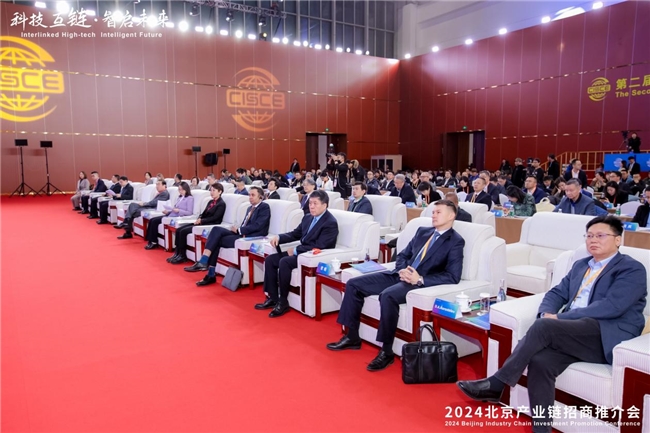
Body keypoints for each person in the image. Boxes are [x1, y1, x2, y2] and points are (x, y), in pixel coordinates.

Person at [457, 215, 647, 433]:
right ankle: (542, 429)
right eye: (589, 236)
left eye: (600, 235)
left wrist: (558, 319)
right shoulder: (581, 265)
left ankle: (498, 382)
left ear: (617, 240)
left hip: (605, 334)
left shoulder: (631, 269)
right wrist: (546, 313)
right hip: (575, 333)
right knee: (541, 361)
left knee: (544, 327)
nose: (593, 240)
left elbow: (612, 306)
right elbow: (556, 293)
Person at [326, 200, 465, 371]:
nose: (433, 215)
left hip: (418, 283)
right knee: (354, 284)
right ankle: (352, 336)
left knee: (388, 295)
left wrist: (420, 279)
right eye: (433, 212)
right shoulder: (423, 231)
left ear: (451, 216)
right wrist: (401, 270)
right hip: (399, 274)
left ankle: (386, 351)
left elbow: (453, 276)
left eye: (438, 212)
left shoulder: (455, 241)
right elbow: (402, 255)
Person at [255, 190, 339, 318]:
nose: (311, 206)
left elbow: (321, 245)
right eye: (310, 203)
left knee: (284, 262)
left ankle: (283, 302)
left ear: (324, 205)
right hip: (301, 252)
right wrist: (279, 237)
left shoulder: (330, 222)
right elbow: (295, 234)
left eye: (315, 203)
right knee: (270, 260)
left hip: (313, 256)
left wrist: (295, 251)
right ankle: (273, 298)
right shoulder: (308, 217)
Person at [185, 187, 271, 286]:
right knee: (216, 230)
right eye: (249, 195)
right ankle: (204, 261)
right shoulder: (249, 208)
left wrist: (239, 230)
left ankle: (208, 270)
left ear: (260, 197)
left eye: (253, 195)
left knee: (216, 241)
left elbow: (258, 225)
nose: (250, 197)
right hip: (241, 233)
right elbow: (246, 224)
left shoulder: (264, 207)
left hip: (250, 236)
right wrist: (237, 229)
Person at [168, 183, 226, 265]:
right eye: (211, 190)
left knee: (183, 232)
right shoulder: (210, 202)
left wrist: (202, 221)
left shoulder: (221, 204)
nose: (211, 192)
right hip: (201, 222)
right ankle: (177, 253)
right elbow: (203, 213)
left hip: (208, 224)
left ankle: (182, 256)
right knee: (179, 230)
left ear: (220, 192)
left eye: (214, 190)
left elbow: (215, 218)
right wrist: (199, 218)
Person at [144, 182, 194, 250]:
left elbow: (189, 212)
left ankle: (154, 242)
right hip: (172, 214)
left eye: (182, 190)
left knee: (155, 222)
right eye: (179, 190)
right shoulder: (180, 197)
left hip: (178, 216)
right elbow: (175, 208)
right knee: (152, 220)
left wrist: (179, 210)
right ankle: (150, 240)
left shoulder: (190, 198)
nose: (180, 191)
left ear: (186, 189)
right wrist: (168, 211)